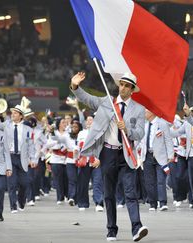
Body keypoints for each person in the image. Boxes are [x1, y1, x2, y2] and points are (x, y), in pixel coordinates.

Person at [70, 72, 148, 242]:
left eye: (128, 86)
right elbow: (88, 99)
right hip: (107, 153)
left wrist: (127, 130)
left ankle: (137, 227)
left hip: (126, 153)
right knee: (109, 194)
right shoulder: (107, 102)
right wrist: (75, 86)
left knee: (130, 192)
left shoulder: (138, 109)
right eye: (122, 84)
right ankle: (111, 230)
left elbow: (140, 133)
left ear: (133, 90)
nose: (123, 88)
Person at [138, 109, 174, 211]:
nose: (144, 113)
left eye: (146, 111)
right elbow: (140, 141)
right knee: (149, 181)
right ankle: (152, 204)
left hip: (160, 156)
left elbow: (168, 139)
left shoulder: (162, 123)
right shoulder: (145, 125)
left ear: (152, 112)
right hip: (147, 155)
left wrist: (170, 155)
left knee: (160, 180)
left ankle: (162, 203)